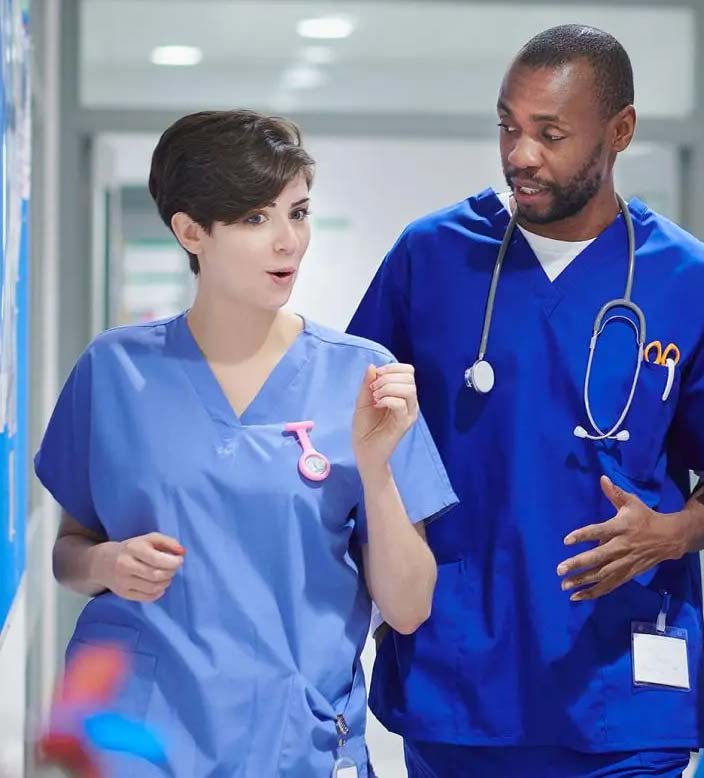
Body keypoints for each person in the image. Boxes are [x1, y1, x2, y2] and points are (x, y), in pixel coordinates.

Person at [35, 110, 458, 778]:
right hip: (141, 735)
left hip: (297, 738)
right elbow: (69, 553)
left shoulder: (360, 376)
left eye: (298, 212)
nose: (288, 241)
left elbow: (408, 610)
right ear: (190, 231)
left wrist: (376, 471)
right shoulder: (115, 372)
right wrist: (110, 564)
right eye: (256, 219)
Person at [348, 24, 704, 778]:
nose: (520, 154)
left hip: (623, 693)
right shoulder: (431, 256)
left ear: (621, 131)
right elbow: (352, 438)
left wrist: (673, 533)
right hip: (463, 685)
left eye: (550, 133)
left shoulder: (685, 279)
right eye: (508, 126)